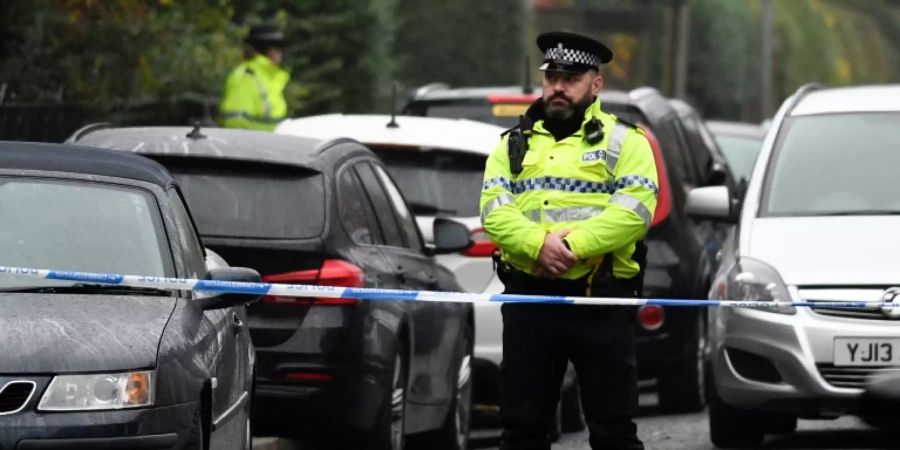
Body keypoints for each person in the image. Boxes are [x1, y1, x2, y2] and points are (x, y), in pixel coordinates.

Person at [479, 31, 658, 450]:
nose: (558, 87)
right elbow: (494, 212)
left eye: (571, 78)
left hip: (601, 299)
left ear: (596, 85)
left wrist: (570, 247)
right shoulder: (510, 147)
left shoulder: (626, 142)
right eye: (552, 76)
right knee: (522, 428)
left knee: (614, 430)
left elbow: (634, 213)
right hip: (531, 299)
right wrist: (539, 245)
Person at [219, 24, 290, 130]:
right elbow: (236, 122)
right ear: (269, 50)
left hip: (271, 144)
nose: (281, 53)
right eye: (278, 48)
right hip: (257, 145)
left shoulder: (268, 77)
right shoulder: (247, 76)